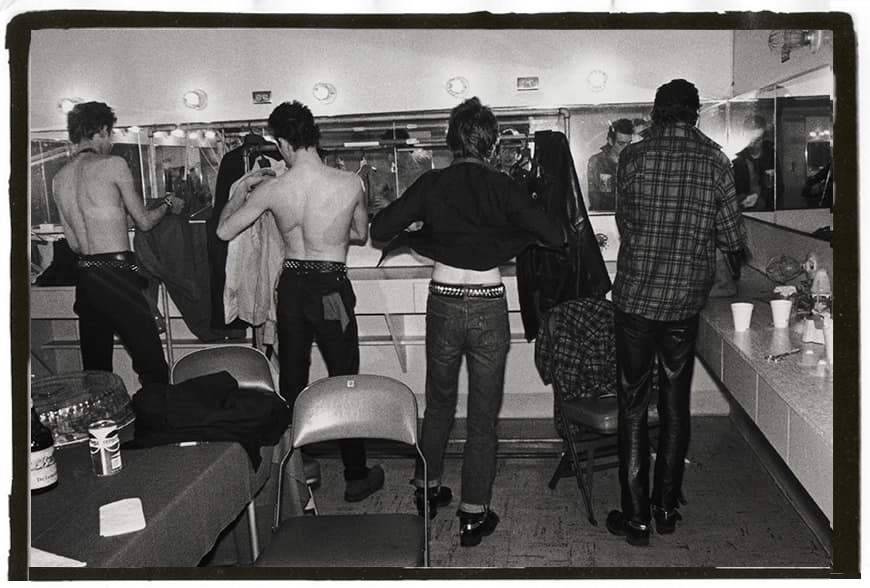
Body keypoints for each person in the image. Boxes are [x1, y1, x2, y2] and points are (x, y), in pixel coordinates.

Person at [370, 97, 566, 547]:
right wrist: (507, 240)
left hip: (443, 300)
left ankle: (427, 489)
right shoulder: (503, 187)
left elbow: (381, 229)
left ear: (451, 139)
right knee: (482, 417)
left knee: (438, 404)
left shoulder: (432, 183)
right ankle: (473, 516)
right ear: (492, 142)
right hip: (486, 302)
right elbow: (553, 235)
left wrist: (426, 236)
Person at [216, 100, 384, 503]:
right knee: (345, 378)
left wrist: (240, 190)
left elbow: (224, 231)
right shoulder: (349, 183)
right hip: (330, 289)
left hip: (291, 287)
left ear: (283, 142)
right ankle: (356, 475)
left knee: (292, 380)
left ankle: (296, 469)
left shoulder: (274, 188)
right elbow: (361, 234)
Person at [607, 79, 747, 546]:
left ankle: (637, 518)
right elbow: (731, 238)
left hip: (635, 301)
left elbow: (625, 222)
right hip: (684, 304)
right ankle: (666, 508)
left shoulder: (634, 157)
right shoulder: (716, 160)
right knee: (674, 403)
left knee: (631, 404)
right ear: (697, 113)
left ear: (656, 112)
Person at [51, 101, 183, 386]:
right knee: (152, 365)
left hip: (86, 277)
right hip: (117, 275)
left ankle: (102, 430)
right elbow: (145, 221)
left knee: (97, 370)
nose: (110, 141)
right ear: (101, 130)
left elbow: (74, 242)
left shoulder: (59, 178)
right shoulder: (113, 165)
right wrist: (168, 204)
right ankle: (158, 428)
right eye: (109, 134)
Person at [586, 118, 634, 211]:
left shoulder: (633, 161)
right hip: (604, 215)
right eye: (621, 144)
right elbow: (596, 197)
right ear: (610, 141)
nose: (626, 148)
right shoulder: (598, 162)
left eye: (629, 144)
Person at [732, 114, 776, 210]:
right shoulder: (736, 159)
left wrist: (762, 198)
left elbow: (779, 187)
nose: (754, 144)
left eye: (758, 139)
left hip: (768, 212)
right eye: (750, 139)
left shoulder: (771, 156)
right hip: (742, 212)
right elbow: (730, 189)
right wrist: (742, 199)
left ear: (764, 137)